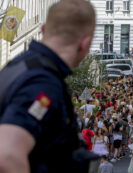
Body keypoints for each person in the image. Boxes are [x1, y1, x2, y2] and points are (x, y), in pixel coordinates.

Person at [0, 0, 97, 172]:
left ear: (44, 30)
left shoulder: (18, 66)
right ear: (85, 44)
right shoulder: (42, 83)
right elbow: (7, 156)